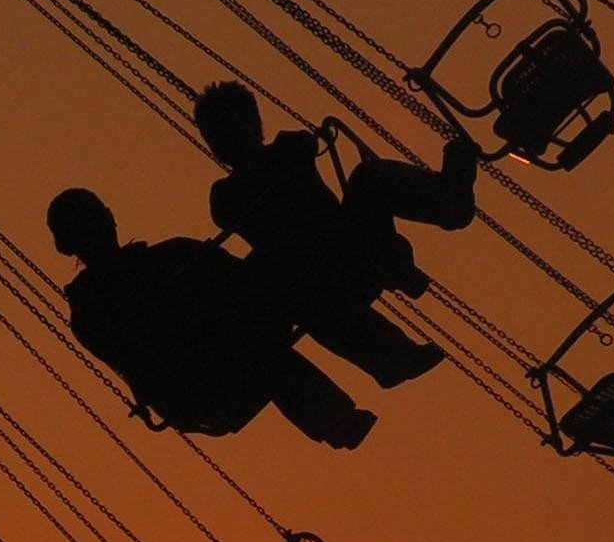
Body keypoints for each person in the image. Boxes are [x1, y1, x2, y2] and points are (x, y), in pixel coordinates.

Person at [193, 80, 477, 389]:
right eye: (216, 135)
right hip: (317, 279)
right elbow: (227, 212)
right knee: (287, 281)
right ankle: (393, 355)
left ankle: (446, 203)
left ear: (250, 123)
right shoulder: (227, 193)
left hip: (355, 248)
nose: (226, 139)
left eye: (230, 127)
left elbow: (303, 145)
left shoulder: (287, 147)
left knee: (369, 177)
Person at [47, 188, 376, 448]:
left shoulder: (171, 253)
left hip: (234, 347)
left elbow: (238, 276)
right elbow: (139, 353)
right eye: (89, 224)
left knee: (275, 269)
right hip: (201, 386)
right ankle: (341, 415)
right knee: (260, 353)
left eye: (99, 218)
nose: (101, 227)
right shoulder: (93, 312)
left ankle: (370, 326)